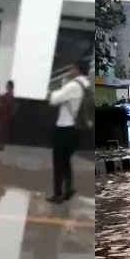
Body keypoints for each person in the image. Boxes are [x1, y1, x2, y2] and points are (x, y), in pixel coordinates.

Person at [46, 59, 90, 204]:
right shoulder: (87, 85)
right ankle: (68, 188)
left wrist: (62, 86)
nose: (69, 71)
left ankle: (58, 193)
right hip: (79, 128)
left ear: (77, 70)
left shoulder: (72, 85)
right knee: (66, 160)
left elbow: (53, 99)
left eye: (71, 68)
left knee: (58, 161)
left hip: (65, 127)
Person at [0, 80, 15, 151]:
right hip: (5, 115)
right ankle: (0, 145)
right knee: (2, 131)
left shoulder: (8, 95)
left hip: (3, 115)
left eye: (7, 85)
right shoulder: (10, 95)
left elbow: (6, 105)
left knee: (0, 131)